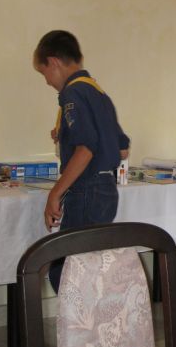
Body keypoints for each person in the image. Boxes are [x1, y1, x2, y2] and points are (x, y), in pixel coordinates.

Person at [33, 30, 130, 291]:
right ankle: (93, 317)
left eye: (44, 73)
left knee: (65, 272)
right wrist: (66, 134)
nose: (47, 82)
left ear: (54, 62)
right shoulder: (98, 93)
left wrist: (55, 193)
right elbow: (122, 149)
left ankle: (80, 319)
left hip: (86, 189)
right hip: (105, 190)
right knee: (88, 269)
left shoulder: (72, 94)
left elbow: (86, 149)